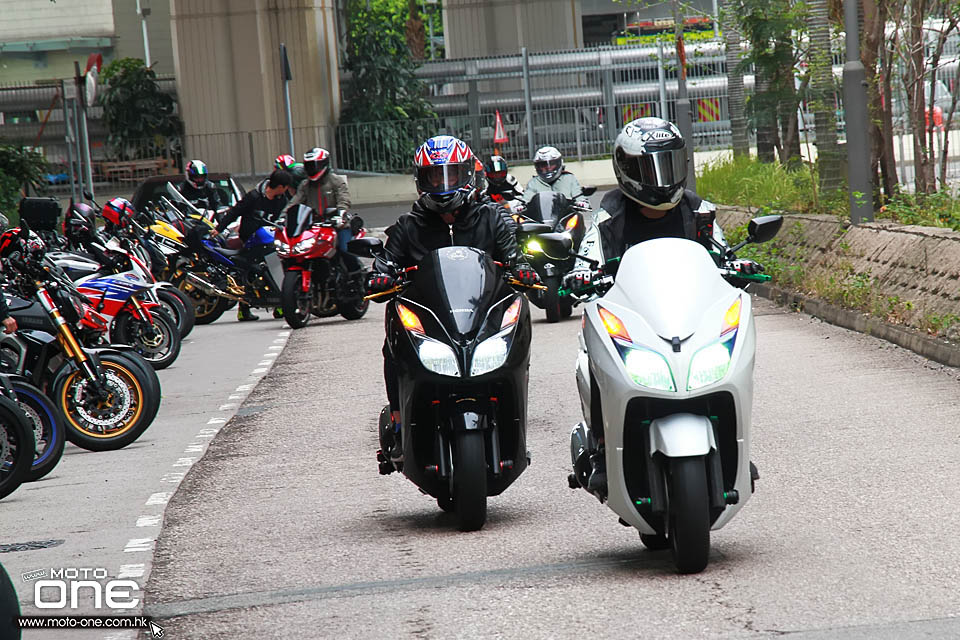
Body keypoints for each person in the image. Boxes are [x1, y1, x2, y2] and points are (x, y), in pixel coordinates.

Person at [563, 117, 761, 494]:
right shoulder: (609, 215)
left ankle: (735, 442)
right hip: (634, 317)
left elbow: (719, 254)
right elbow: (586, 258)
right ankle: (602, 450)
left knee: (734, 355)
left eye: (669, 164)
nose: (661, 177)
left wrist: (737, 265)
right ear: (626, 169)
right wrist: (579, 275)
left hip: (687, 314)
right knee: (595, 349)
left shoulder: (698, 212)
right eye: (649, 167)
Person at [366, 135, 539, 462]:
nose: (443, 184)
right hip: (432, 323)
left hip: (482, 318)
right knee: (393, 344)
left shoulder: (491, 218)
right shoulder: (408, 226)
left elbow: (515, 258)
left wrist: (524, 271)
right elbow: (386, 261)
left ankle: (512, 421)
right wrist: (380, 274)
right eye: (434, 176)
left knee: (518, 333)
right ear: (421, 179)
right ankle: (399, 419)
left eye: (451, 175)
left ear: (467, 175)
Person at [215, 169, 293, 322]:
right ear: (280, 186)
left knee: (279, 266)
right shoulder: (254, 197)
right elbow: (234, 212)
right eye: (286, 187)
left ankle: (281, 304)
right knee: (249, 271)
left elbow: (287, 217)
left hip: (271, 238)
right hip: (250, 239)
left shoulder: (281, 199)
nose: (286, 190)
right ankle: (244, 309)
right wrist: (219, 229)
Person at [287, 147, 362, 275]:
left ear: (324, 164)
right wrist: (283, 216)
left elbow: (343, 199)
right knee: (297, 251)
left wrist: (341, 213)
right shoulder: (305, 185)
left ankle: (357, 275)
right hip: (313, 227)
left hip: (338, 225)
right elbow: (294, 202)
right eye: (309, 165)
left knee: (345, 249)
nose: (312, 168)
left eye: (314, 165)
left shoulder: (336, 181)